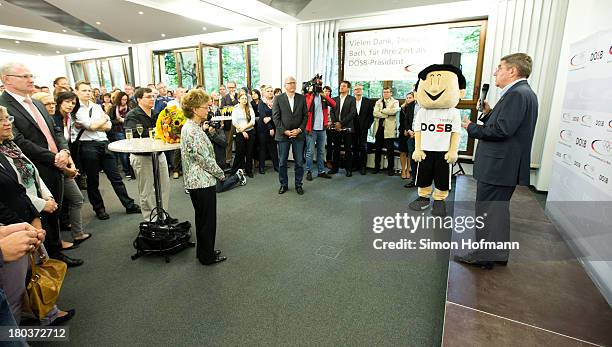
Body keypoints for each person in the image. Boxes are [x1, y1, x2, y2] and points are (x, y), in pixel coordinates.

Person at [457, 53, 538, 269]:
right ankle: (498, 253)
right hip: (505, 165)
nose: (495, 72)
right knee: (497, 212)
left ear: (512, 71)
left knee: (488, 211)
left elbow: (502, 130)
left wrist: (470, 128)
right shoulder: (523, 93)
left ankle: (483, 256)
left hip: (499, 166)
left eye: (500, 68)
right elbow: (507, 124)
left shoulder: (516, 95)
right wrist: (489, 112)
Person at [0, 62, 82, 267]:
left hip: (56, 164)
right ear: (6, 79)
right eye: (24, 76)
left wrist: (63, 151)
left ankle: (56, 254)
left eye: (31, 75)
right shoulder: (4, 106)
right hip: (33, 168)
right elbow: (18, 141)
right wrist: (53, 158)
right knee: (40, 216)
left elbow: (55, 131)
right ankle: (46, 261)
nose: (31, 79)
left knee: (55, 210)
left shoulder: (36, 102)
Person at [72, 81, 140, 220]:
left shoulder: (96, 106)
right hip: (88, 146)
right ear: (77, 92)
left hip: (104, 143)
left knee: (116, 178)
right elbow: (92, 126)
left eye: (89, 90)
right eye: (84, 90)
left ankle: (129, 205)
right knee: (93, 181)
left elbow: (108, 126)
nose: (88, 93)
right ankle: (99, 209)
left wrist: (97, 124)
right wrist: (99, 122)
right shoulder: (76, 109)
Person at [180, 89, 227, 265]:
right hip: (201, 181)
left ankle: (204, 252)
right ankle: (207, 256)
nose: (209, 109)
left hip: (197, 181)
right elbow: (203, 159)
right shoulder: (192, 130)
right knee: (207, 220)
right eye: (205, 107)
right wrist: (220, 173)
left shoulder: (191, 127)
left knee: (202, 219)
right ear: (194, 109)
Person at [124, 87, 174, 223]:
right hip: (142, 156)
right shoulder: (132, 115)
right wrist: (155, 132)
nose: (152, 99)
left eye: (153, 96)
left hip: (158, 154)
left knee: (165, 186)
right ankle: (150, 220)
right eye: (148, 97)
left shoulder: (156, 114)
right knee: (146, 191)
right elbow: (133, 134)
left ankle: (162, 216)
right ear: (139, 99)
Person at [52, 93, 91, 246]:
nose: (70, 105)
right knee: (60, 204)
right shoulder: (53, 120)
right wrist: (67, 168)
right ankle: (60, 241)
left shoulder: (68, 118)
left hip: (66, 160)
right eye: (67, 102)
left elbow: (65, 145)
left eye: (73, 103)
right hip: (55, 164)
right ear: (59, 102)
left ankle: (77, 233)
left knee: (73, 199)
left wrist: (72, 165)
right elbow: (55, 147)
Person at [272, 76, 308, 195]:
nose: (292, 85)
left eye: (294, 82)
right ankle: (283, 184)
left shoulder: (301, 98)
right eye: (290, 83)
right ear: (285, 85)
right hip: (283, 136)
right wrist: (285, 131)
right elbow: (276, 118)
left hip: (298, 135)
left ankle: (298, 184)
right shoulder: (278, 99)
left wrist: (299, 129)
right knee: (282, 162)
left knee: (299, 162)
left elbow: (305, 116)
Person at [304, 78, 336, 180]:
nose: (318, 87)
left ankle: (321, 171)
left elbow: (334, 104)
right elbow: (308, 107)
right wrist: (312, 94)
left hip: (322, 128)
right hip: (311, 128)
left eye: (320, 85)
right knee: (310, 151)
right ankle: (308, 171)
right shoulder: (308, 96)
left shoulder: (323, 97)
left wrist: (324, 95)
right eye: (317, 85)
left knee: (321, 151)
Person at [328, 81, 357, 177]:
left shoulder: (352, 99)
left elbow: (352, 113)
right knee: (335, 149)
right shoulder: (334, 99)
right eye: (341, 86)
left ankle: (348, 169)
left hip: (347, 128)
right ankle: (335, 168)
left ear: (348, 88)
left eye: (344, 86)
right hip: (336, 128)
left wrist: (341, 123)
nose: (342, 87)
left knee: (348, 149)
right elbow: (332, 111)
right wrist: (335, 123)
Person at [372, 88, 400, 175]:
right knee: (378, 149)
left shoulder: (395, 102)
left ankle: (390, 169)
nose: (385, 94)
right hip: (379, 128)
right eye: (384, 92)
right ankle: (376, 167)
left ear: (391, 93)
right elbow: (375, 113)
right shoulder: (378, 102)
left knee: (390, 150)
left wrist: (383, 111)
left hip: (389, 129)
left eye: (387, 92)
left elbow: (394, 111)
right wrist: (386, 114)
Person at [107, 91, 133, 178]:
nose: (124, 101)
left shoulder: (129, 108)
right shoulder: (114, 109)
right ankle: (126, 171)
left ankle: (131, 170)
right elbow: (110, 120)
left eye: (126, 100)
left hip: (128, 130)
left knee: (130, 151)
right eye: (122, 99)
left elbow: (132, 120)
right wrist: (119, 120)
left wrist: (124, 120)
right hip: (118, 131)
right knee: (123, 152)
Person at [231, 94, 256, 177]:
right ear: (239, 100)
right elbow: (234, 122)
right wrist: (242, 131)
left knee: (249, 152)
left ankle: (249, 171)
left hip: (250, 132)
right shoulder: (236, 109)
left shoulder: (250, 108)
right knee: (239, 153)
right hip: (240, 133)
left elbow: (253, 122)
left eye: (246, 98)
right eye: (242, 98)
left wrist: (244, 129)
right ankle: (234, 171)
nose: (244, 100)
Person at [353, 84, 374, 175]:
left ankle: (363, 167)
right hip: (352, 128)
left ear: (362, 91)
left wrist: (367, 126)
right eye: (356, 89)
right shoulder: (350, 100)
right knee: (354, 147)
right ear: (354, 91)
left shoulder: (368, 101)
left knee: (363, 148)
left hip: (363, 129)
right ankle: (355, 165)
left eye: (360, 89)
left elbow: (371, 116)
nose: (358, 91)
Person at [257, 86, 279, 174]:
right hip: (263, 128)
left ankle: (276, 166)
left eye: (271, 91)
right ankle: (261, 167)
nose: (270, 92)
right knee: (263, 148)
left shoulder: (276, 102)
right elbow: (263, 117)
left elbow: (277, 114)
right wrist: (270, 128)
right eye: (268, 91)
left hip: (274, 128)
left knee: (273, 148)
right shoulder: (261, 103)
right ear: (264, 92)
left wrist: (270, 118)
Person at [399, 92, 417, 184]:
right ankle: (403, 170)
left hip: (413, 133)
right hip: (403, 132)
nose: (408, 99)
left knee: (411, 153)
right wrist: (405, 129)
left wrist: (409, 130)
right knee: (403, 151)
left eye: (410, 97)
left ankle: (408, 171)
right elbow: (402, 120)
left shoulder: (416, 107)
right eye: (407, 98)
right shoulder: (403, 108)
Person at [220, 81, 239, 167]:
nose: (231, 89)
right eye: (229, 88)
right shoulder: (224, 98)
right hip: (228, 123)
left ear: (235, 87)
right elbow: (222, 110)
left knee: (240, 141)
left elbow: (239, 107)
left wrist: (233, 100)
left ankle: (240, 162)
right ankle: (228, 161)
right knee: (228, 142)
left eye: (232, 87)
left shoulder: (239, 96)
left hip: (239, 122)